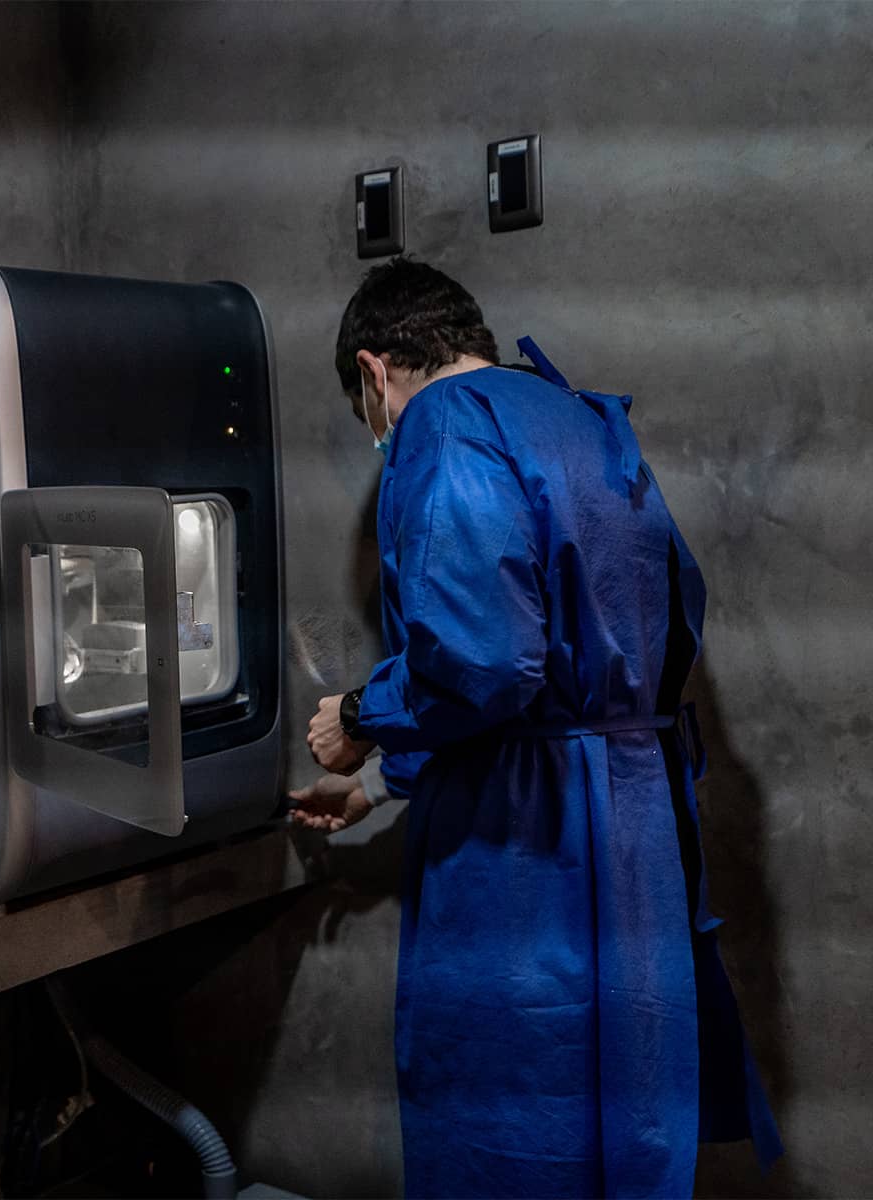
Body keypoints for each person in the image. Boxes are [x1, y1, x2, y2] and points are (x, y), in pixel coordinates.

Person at [290, 258, 781, 1197]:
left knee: (509, 1118)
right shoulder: (581, 420)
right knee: (617, 1116)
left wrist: (361, 717)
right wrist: (382, 784)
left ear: (373, 372)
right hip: (636, 831)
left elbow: (485, 662)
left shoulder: (443, 426)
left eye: (369, 416)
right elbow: (568, 669)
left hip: (524, 853)